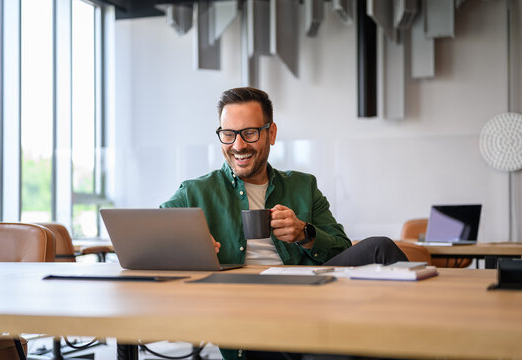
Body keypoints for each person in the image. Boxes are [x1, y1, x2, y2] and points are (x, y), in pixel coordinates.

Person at [161, 87, 407, 360]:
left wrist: (305, 233)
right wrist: (186, 243)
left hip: (311, 301)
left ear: (271, 133)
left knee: (380, 248)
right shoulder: (195, 192)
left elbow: (341, 251)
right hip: (252, 320)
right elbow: (150, 234)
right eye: (228, 134)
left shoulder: (303, 185)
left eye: (249, 133)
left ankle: (430, 339)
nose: (238, 145)